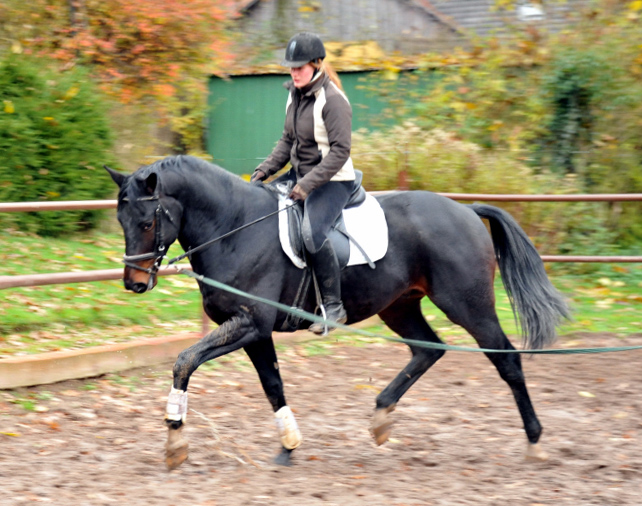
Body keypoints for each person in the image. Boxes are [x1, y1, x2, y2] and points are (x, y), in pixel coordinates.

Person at [251, 32, 356, 334]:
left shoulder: (333, 100)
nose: (294, 72)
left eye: (300, 67)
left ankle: (334, 308)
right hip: (302, 175)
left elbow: (340, 152)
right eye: (291, 67)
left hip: (333, 180)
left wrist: (307, 184)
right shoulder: (294, 94)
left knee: (311, 233)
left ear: (316, 64)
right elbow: (287, 141)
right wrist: (264, 171)